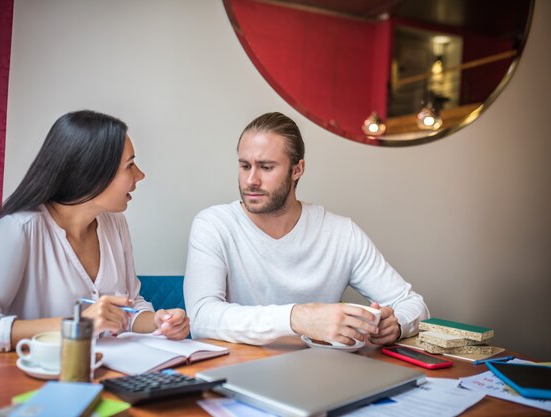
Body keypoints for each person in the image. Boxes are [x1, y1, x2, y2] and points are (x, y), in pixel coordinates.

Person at [0, 110, 190, 360]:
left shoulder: (116, 224)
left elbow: (128, 308)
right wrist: (76, 325)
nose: (140, 175)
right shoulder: (20, 229)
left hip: (106, 380)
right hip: (33, 388)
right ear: (89, 173)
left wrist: (159, 321)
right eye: (130, 165)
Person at [184, 112, 429, 346]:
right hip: (237, 371)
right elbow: (201, 317)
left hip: (320, 375)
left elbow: (413, 304)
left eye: (266, 167)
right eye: (245, 166)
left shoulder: (341, 233)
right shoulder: (214, 225)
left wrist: (396, 324)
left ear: (297, 169)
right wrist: (298, 318)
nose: (251, 180)